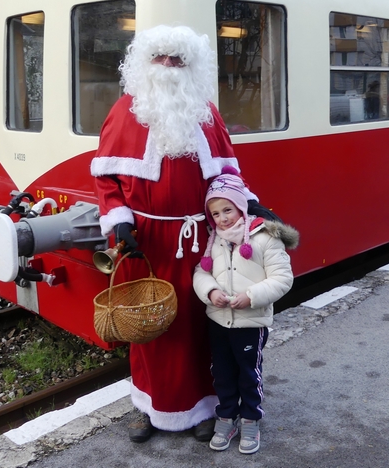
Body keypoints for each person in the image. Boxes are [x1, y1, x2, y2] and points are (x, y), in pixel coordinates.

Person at [91, 24, 268, 443]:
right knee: (147, 324)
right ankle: (148, 405)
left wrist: (251, 206)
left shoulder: (205, 113)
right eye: (161, 58)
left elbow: (227, 174)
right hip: (146, 242)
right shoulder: (125, 111)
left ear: (191, 67)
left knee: (202, 323)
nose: (169, 66)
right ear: (145, 63)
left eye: (178, 59)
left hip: (202, 241)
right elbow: (105, 178)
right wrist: (120, 220)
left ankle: (207, 406)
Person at [193, 166, 297, 454]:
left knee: (249, 374)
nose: (222, 218)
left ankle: (251, 418)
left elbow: (282, 278)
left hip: (250, 323)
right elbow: (201, 272)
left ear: (241, 206)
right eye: (215, 214)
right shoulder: (214, 239)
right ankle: (226, 416)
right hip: (219, 321)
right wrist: (210, 292)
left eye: (227, 210)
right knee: (222, 373)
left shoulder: (264, 237)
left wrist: (250, 297)